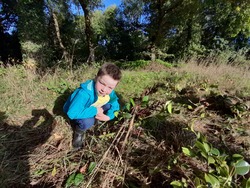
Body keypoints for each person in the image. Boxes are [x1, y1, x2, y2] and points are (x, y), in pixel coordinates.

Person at [63, 63, 122, 149]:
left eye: (110, 88)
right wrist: (95, 111)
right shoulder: (84, 94)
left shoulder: (110, 93)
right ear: (96, 78)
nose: (104, 90)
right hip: (78, 110)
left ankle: (97, 118)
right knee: (88, 122)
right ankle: (79, 131)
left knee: (109, 105)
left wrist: (109, 116)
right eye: (102, 83)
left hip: (94, 107)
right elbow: (72, 113)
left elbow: (115, 104)